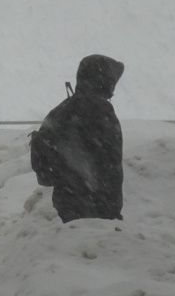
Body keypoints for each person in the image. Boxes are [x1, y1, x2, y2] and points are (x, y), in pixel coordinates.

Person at [30, 54, 125, 223]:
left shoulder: (62, 109)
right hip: (97, 207)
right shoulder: (100, 110)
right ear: (103, 80)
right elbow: (109, 164)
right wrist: (110, 207)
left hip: (67, 205)